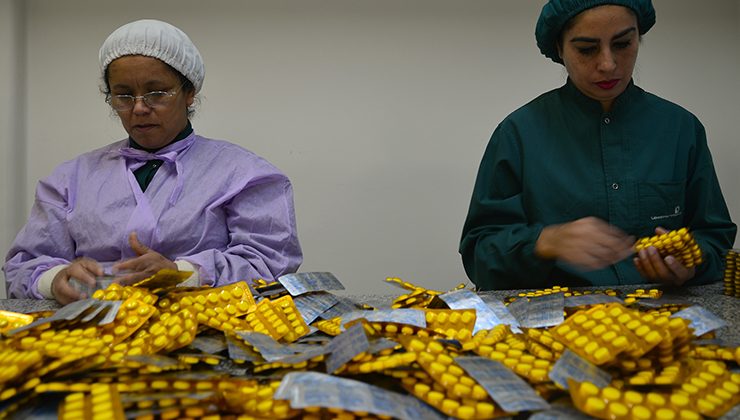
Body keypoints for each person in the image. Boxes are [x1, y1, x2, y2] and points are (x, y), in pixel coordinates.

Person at [4, 19, 303, 304]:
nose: (139, 109)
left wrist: (183, 275)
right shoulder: (70, 179)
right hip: (92, 338)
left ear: (189, 93)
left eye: (156, 93)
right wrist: (55, 280)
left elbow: (270, 265)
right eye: (123, 95)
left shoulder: (244, 175)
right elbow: (23, 265)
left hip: (205, 338)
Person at [460, 0, 736, 290]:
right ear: (559, 49)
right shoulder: (518, 134)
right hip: (557, 327)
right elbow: (479, 254)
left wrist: (691, 266)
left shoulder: (681, 129)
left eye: (622, 43)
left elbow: (715, 238)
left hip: (666, 323)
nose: (608, 64)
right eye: (586, 49)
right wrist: (544, 241)